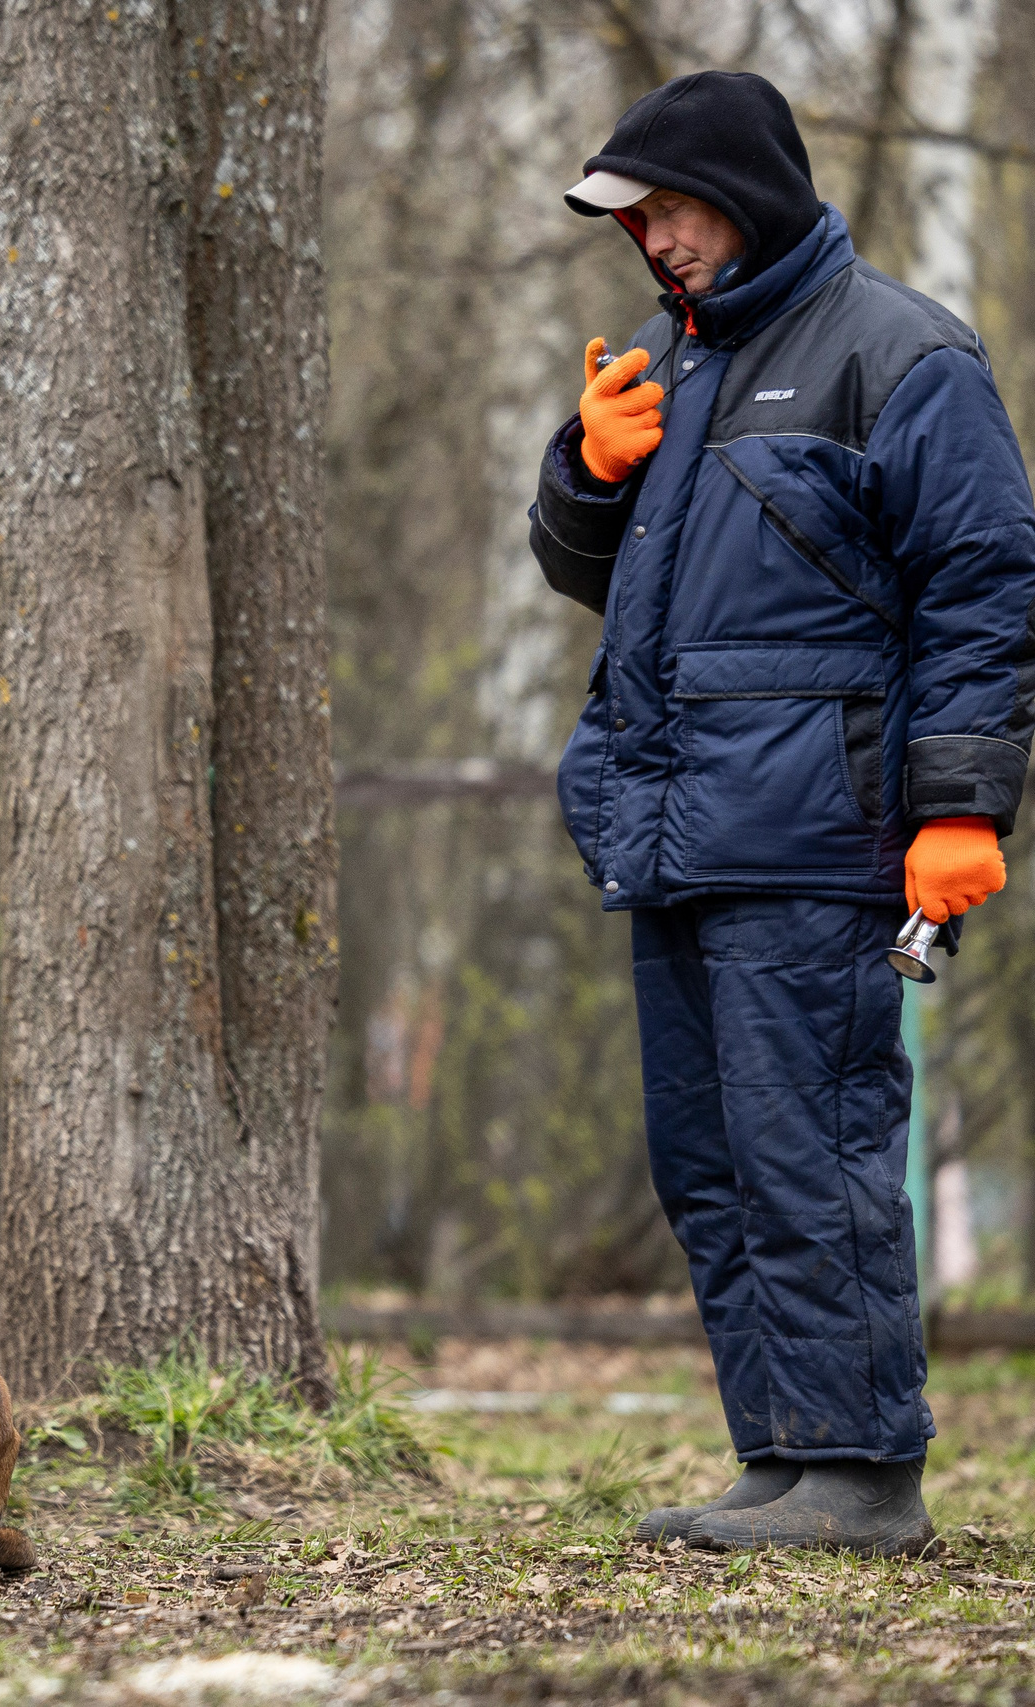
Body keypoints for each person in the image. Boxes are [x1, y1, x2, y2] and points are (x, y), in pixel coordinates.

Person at [530, 71, 1035, 1556]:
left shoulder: (903, 354)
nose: (654, 243)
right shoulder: (666, 366)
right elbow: (594, 581)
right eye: (635, 222)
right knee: (711, 1164)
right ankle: (785, 1452)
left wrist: (960, 806)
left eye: (671, 210)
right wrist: (587, 472)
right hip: (676, 831)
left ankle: (866, 1466)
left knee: (812, 1146)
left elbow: (986, 592)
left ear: (747, 194)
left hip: (817, 835)